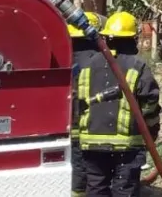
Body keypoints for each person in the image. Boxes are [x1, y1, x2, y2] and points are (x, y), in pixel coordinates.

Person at [78, 11, 161, 197]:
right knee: (124, 191)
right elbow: (150, 106)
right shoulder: (138, 66)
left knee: (96, 190)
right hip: (127, 146)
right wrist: (151, 134)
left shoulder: (88, 66)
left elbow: (78, 104)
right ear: (132, 39)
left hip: (92, 145)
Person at [69, 11, 101, 197]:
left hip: (70, 122)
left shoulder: (62, 56)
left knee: (77, 164)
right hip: (98, 124)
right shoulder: (102, 58)